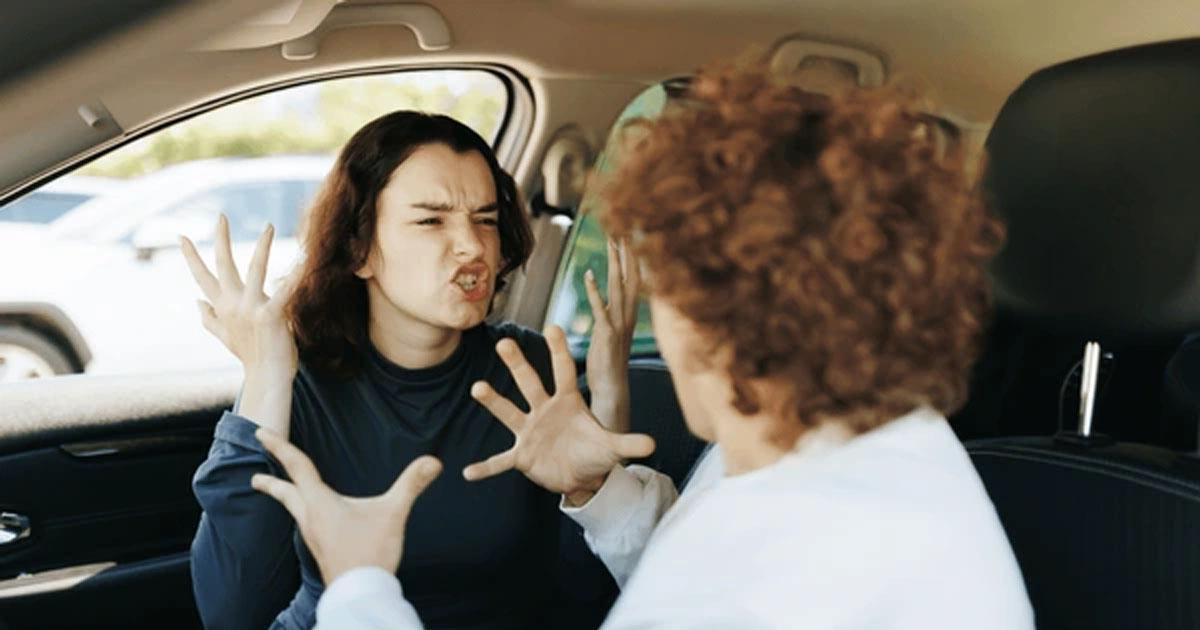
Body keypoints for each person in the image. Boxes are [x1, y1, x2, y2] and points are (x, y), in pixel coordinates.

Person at [249, 59, 1037, 629]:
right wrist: (601, 489)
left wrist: (356, 588)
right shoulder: (864, 446)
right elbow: (691, 552)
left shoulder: (814, 559)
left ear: (710, 308)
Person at [182, 111, 652, 630]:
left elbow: (585, 600)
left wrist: (608, 406)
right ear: (359, 249)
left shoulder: (527, 371)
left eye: (486, 219)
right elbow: (232, 614)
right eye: (432, 220)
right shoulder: (300, 381)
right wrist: (268, 375)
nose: (473, 246)